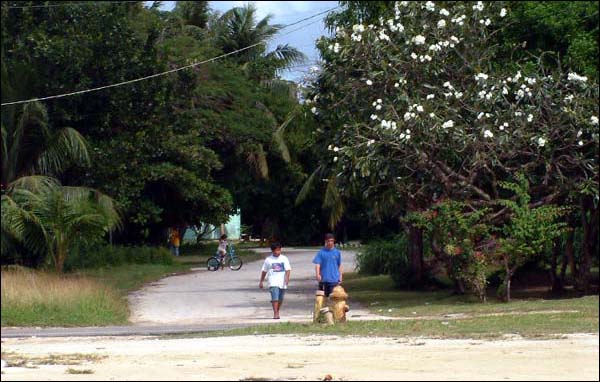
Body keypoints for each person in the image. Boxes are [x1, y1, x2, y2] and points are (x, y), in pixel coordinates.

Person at [259, 242, 291, 319]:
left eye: (279, 250)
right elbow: (264, 271)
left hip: (282, 282)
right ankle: (275, 313)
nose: (278, 252)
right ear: (272, 251)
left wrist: (287, 279)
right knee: (275, 298)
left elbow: (288, 270)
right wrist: (261, 281)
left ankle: (277, 310)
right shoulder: (268, 260)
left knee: (280, 298)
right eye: (276, 250)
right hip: (273, 281)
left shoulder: (284, 258)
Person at [312, 233, 343, 297]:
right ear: (325, 241)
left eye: (331, 241)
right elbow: (317, 264)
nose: (330, 242)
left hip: (334, 280)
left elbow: (339, 265)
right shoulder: (321, 252)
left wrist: (340, 276)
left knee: (333, 300)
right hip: (323, 280)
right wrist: (318, 274)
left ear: (334, 241)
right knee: (322, 300)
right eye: (328, 241)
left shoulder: (337, 252)